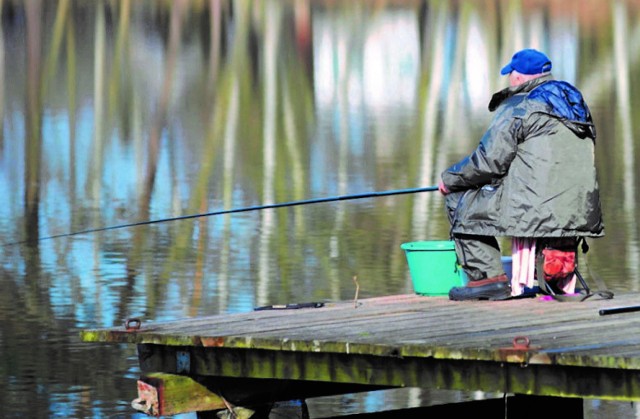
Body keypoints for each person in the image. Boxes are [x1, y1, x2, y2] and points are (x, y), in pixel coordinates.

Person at [438, 48, 604, 301]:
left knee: (460, 201)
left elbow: (488, 161)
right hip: (581, 206)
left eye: (510, 74)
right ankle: (555, 276)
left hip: (534, 206)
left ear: (518, 77)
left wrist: (449, 180)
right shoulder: (573, 102)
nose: (508, 79)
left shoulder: (522, 105)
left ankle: (486, 280)